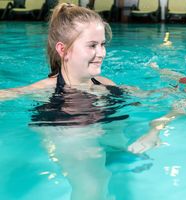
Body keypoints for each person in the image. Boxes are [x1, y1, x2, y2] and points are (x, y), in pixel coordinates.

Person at [1, 3, 129, 200]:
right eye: (92, 45)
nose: (102, 53)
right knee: (93, 185)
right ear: (64, 50)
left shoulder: (106, 85)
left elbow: (143, 96)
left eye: (103, 44)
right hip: (69, 136)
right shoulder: (47, 89)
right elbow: (9, 94)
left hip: (106, 142)